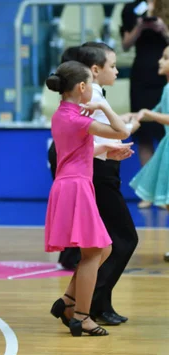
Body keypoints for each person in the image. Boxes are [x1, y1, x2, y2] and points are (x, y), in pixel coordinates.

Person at [49, 43, 140, 326]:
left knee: (103, 249)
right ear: (82, 87)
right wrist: (101, 107)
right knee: (97, 250)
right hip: (78, 185)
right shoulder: (79, 117)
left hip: (76, 181)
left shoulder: (63, 115)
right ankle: (82, 315)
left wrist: (107, 150)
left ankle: (69, 302)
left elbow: (82, 148)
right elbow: (121, 130)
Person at [121, 0, 169, 208]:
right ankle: (148, 192)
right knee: (145, 136)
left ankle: (163, 191)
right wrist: (140, 26)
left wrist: (163, 28)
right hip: (141, 73)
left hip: (164, 74)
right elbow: (125, 45)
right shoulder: (131, 8)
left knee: (164, 139)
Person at [130, 45, 169, 261]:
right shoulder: (166, 89)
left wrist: (149, 114)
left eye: (165, 58)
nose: (160, 61)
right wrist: (132, 115)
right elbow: (155, 112)